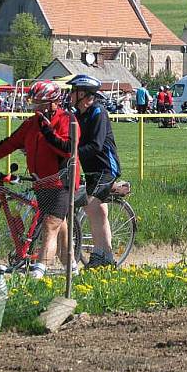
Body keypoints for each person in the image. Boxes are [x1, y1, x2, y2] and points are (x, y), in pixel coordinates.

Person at [0, 81, 80, 277]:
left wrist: (47, 130)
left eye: (38, 104)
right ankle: (72, 268)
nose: (34, 108)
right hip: (41, 183)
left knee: (50, 224)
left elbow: (67, 149)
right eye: (33, 103)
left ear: (52, 104)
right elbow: (9, 144)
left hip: (62, 183)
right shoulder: (32, 123)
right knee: (61, 225)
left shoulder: (67, 120)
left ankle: (38, 273)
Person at [66, 75, 123, 267]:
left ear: (82, 94)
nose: (70, 95)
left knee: (91, 206)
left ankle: (102, 257)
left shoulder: (98, 112)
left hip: (105, 168)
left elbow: (96, 146)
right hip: (90, 170)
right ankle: (106, 256)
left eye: (73, 91)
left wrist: (72, 153)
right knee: (98, 213)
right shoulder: (78, 114)